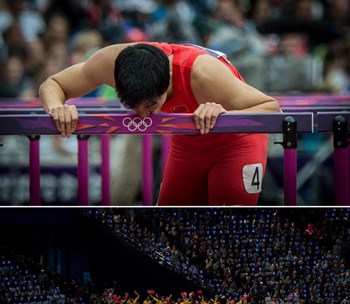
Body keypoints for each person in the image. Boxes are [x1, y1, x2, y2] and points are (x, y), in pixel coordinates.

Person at [39, 42, 281, 206]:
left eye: (151, 106)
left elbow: (272, 109)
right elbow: (53, 84)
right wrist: (57, 108)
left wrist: (226, 115)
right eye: (134, 106)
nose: (143, 116)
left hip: (236, 141)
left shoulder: (204, 74)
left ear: (168, 83)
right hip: (188, 141)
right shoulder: (110, 62)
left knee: (229, 227)